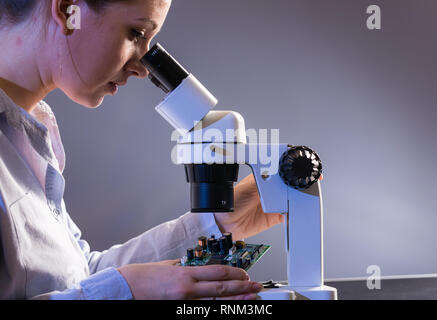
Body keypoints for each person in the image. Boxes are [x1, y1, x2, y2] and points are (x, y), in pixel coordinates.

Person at [0, 0, 285, 300]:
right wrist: (124, 291)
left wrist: (216, 223)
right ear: (68, 11)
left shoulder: (28, 134)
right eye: (136, 33)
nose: (143, 68)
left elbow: (79, 276)